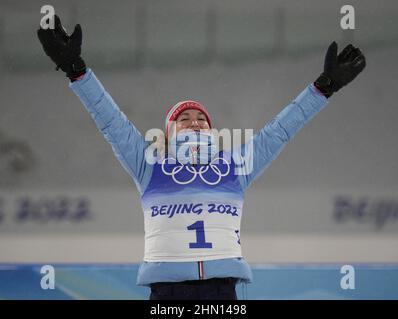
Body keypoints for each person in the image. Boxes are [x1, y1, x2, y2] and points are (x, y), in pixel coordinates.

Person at [37, 15, 366, 300]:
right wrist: (76, 70)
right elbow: (110, 120)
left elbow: (281, 130)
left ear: (211, 130)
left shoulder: (236, 166)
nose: (194, 121)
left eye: (201, 119)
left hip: (221, 289)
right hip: (166, 290)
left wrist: (324, 87)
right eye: (184, 119)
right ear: (169, 134)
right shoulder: (148, 164)